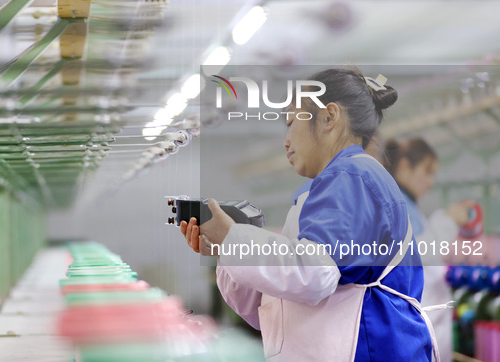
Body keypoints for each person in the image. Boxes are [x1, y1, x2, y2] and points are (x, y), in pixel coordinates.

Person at [180, 67, 437, 361]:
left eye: (291, 122)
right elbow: (273, 306)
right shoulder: (325, 189)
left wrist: (234, 240)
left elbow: (315, 274)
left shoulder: (353, 175)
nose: (286, 140)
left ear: (329, 118)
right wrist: (225, 247)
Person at [384, 138, 474, 362]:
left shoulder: (407, 205)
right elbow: (421, 254)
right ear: (405, 166)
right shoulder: (397, 206)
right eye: (427, 171)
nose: (430, 182)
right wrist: (448, 221)